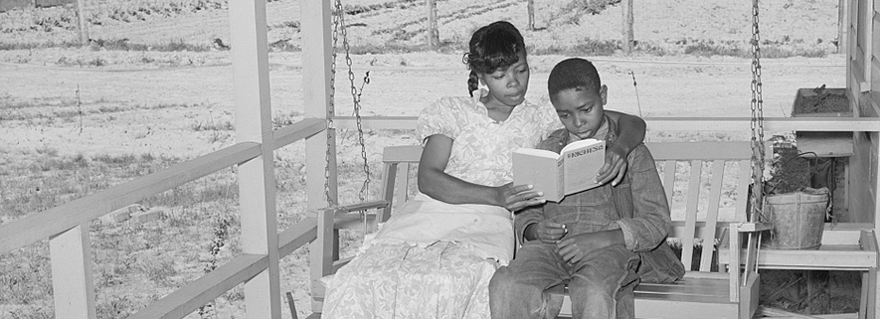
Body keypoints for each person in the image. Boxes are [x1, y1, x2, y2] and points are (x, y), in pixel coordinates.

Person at [320, 23, 647, 319]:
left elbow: (629, 122)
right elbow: (428, 178)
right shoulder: (452, 112)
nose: (514, 83)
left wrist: (619, 149)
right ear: (481, 75)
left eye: (521, 70)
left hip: (489, 224)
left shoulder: (538, 117)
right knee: (371, 276)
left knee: (465, 278)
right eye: (501, 76)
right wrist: (497, 194)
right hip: (431, 213)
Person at [488, 58, 675, 319]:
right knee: (507, 284)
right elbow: (527, 215)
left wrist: (602, 238)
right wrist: (535, 229)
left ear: (603, 95)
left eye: (586, 109)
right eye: (565, 115)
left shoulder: (629, 153)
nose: (577, 122)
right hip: (549, 250)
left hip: (607, 249)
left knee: (594, 290)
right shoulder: (548, 151)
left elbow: (657, 222)